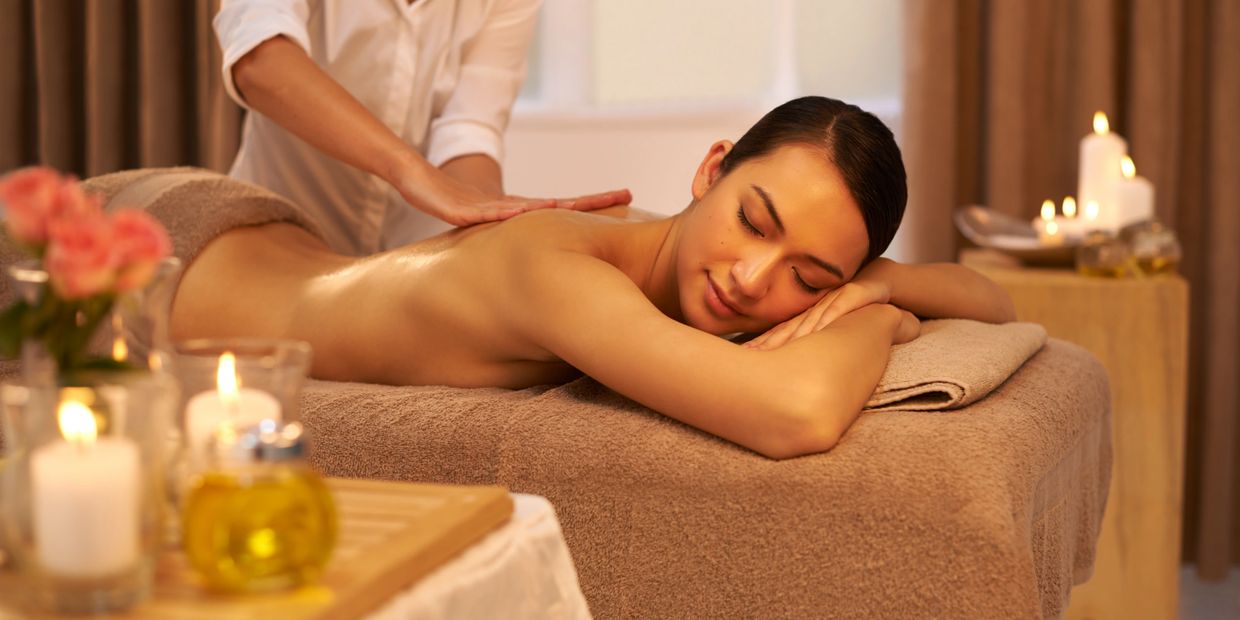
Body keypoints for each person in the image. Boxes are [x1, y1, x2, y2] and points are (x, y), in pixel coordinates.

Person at [172, 96, 1016, 459]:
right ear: (711, 169)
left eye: (808, 276)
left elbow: (992, 300)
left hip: (272, 245)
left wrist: (874, 284)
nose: (756, 280)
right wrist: (877, 314)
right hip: (168, 269)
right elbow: (793, 413)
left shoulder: (686, 256)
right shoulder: (564, 272)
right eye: (754, 222)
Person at [214, 0, 631, 256]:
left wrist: (493, 218)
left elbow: (470, 128)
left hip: (411, 264)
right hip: (276, 240)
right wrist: (409, 170)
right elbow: (261, 60)